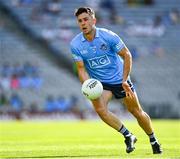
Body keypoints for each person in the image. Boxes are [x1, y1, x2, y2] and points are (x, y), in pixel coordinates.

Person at [70, 7, 162, 154]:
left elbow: (127, 55)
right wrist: (87, 85)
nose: (83, 23)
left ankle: (153, 139)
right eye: (80, 21)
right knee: (100, 110)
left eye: (86, 19)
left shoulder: (108, 36)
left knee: (136, 111)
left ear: (94, 20)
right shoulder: (75, 44)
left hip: (120, 80)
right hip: (101, 84)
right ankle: (128, 135)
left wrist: (125, 80)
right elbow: (81, 68)